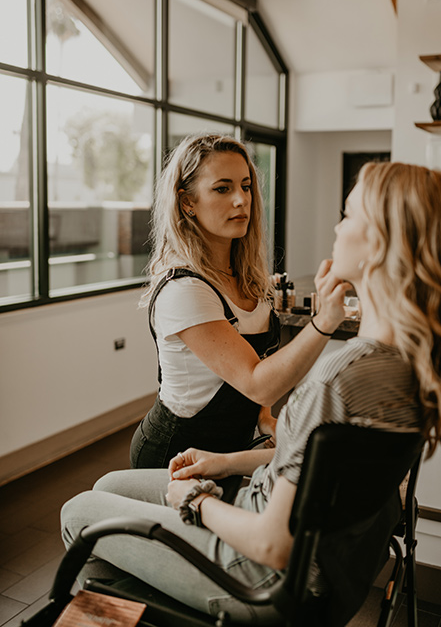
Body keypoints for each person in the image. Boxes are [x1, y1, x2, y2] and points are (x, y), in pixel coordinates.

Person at [61, 162, 441, 624]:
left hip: (261, 574)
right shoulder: (414, 359)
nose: (337, 227)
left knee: (80, 510)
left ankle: (144, 610)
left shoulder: (339, 378)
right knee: (111, 487)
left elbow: (271, 544)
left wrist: (197, 500)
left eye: (348, 215)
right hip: (318, 560)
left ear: (380, 244)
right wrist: (226, 463)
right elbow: (319, 472)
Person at [129, 133, 348, 472]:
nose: (241, 200)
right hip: (172, 455)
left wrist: (263, 418)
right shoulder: (185, 289)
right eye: (222, 188)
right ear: (187, 202)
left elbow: (255, 360)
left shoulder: (248, 277)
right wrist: (325, 321)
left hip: (230, 450)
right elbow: (258, 382)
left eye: (245, 186)